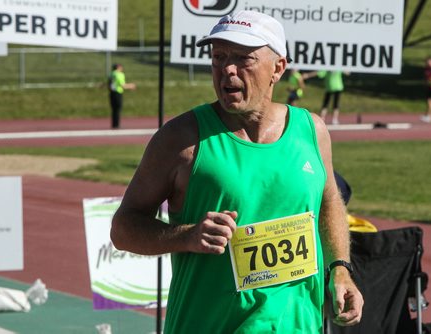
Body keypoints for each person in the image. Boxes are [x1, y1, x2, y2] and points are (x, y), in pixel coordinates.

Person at [111, 10, 363, 333]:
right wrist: (186, 236)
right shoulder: (182, 140)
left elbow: (329, 203)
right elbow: (123, 228)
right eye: (218, 57)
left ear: (278, 68)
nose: (227, 69)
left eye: (243, 58)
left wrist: (340, 269)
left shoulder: (312, 131)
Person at [108, 63, 136, 129]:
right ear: (118, 67)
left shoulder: (111, 74)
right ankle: (117, 125)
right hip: (118, 92)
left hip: (112, 93)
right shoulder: (119, 74)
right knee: (118, 109)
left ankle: (114, 124)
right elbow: (122, 85)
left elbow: (109, 83)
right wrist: (131, 86)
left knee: (114, 109)